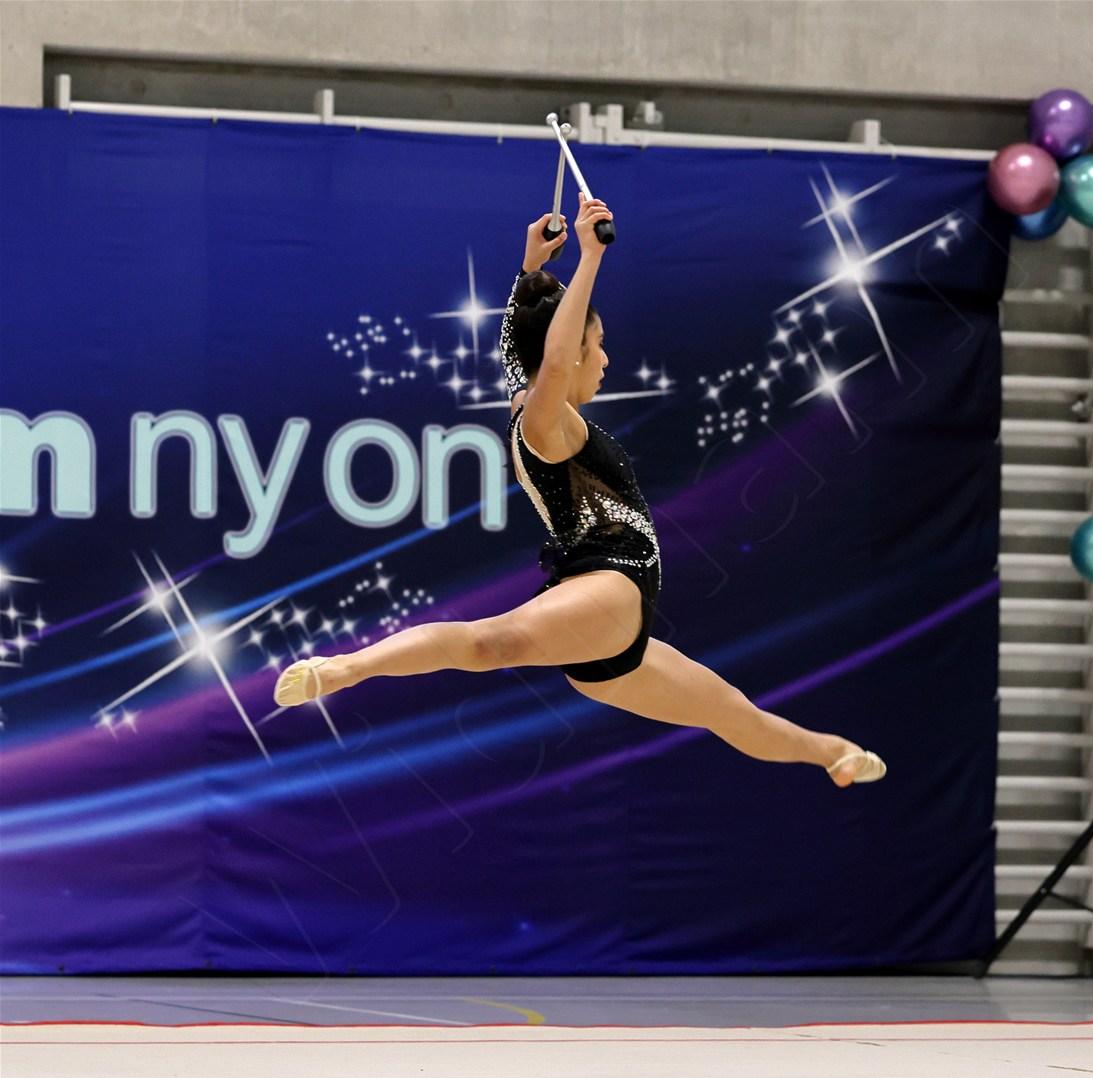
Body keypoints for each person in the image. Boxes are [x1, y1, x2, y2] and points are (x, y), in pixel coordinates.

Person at [274, 192, 885, 786]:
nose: (605, 360)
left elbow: (521, 355)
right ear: (568, 353)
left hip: (608, 633)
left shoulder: (529, 403)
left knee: (729, 711)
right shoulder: (545, 424)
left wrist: (530, 272)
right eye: (597, 345)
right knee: (490, 643)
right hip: (605, 589)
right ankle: (344, 669)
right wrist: (590, 260)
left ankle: (832, 753)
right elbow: (551, 359)